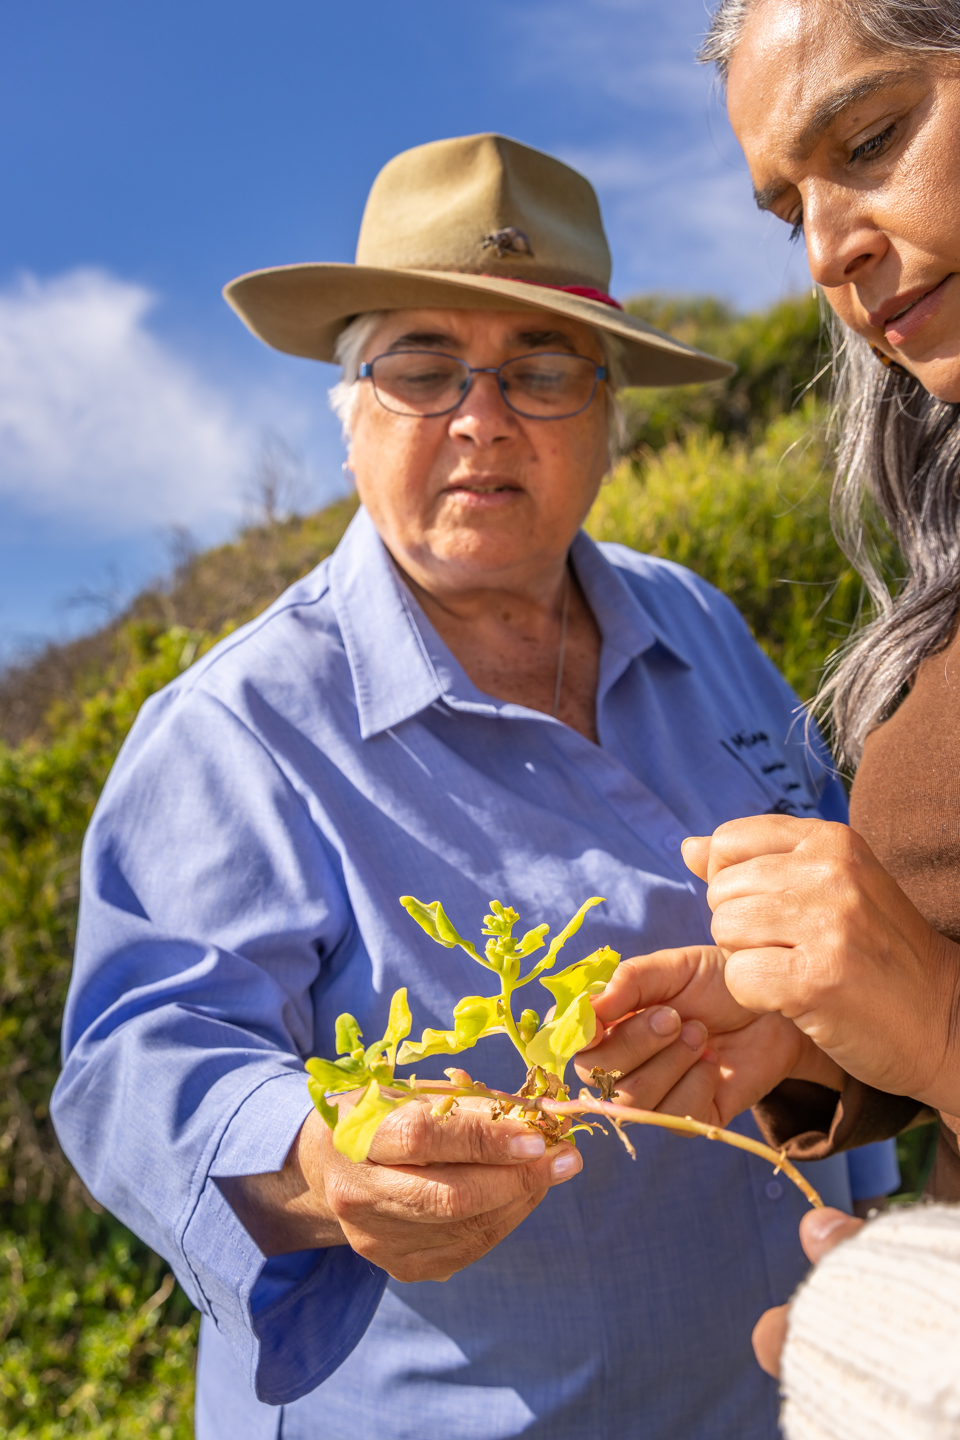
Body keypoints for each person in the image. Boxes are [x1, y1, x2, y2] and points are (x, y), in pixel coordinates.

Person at [51, 132, 856, 1440]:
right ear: (350, 410)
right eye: (422, 367)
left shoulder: (700, 623)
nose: (482, 418)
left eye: (542, 371)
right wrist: (327, 1169)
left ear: (607, 418)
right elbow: (141, 1063)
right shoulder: (236, 729)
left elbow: (838, 909)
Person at [588, 0, 960, 1426]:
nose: (827, 252)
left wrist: (929, 1024)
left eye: (870, 139)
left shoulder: (695, 624)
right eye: (784, 211)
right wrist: (827, 1048)